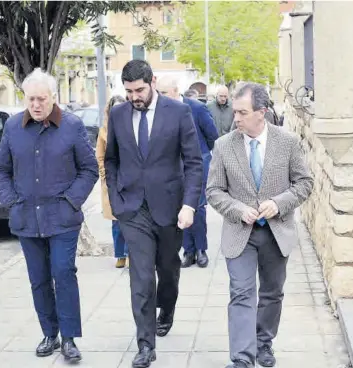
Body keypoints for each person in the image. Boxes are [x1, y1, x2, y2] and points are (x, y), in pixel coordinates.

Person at [0, 68, 99, 363]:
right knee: (38, 279)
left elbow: (89, 169)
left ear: (54, 97)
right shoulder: (14, 127)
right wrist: (11, 202)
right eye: (31, 99)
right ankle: (49, 334)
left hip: (62, 218)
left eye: (42, 98)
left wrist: (71, 201)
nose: (36, 105)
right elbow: (1, 169)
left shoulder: (72, 126)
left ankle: (69, 338)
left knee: (63, 273)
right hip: (26, 217)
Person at [206, 82, 313, 368]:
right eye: (234, 111)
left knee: (271, 292)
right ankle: (242, 358)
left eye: (242, 112)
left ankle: (263, 342)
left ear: (261, 113)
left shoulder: (287, 142)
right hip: (239, 232)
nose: (235, 118)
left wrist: (279, 203)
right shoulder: (223, 146)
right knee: (241, 292)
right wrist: (238, 209)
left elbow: (304, 183)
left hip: (277, 232)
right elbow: (214, 191)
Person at [104, 60, 203, 368]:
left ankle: (168, 309)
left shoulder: (178, 112)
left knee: (168, 271)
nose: (134, 96)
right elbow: (111, 160)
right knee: (142, 277)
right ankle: (146, 344)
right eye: (129, 91)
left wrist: (189, 205)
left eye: (140, 89)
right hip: (133, 210)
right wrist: (116, 198)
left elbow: (194, 163)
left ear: (153, 81)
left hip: (171, 209)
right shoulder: (118, 114)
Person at [157, 76, 218, 268]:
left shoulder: (197, 108)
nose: (161, 97)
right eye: (159, 93)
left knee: (197, 208)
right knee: (179, 209)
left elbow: (212, 136)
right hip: (173, 168)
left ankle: (201, 249)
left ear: (176, 90)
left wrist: (202, 158)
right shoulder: (161, 111)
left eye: (164, 93)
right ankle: (188, 251)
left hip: (196, 166)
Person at [95, 95, 128, 268]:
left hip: (130, 179)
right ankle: (120, 254)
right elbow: (100, 156)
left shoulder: (132, 125)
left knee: (131, 218)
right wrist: (105, 175)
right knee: (117, 221)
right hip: (112, 180)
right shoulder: (104, 131)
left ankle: (132, 253)